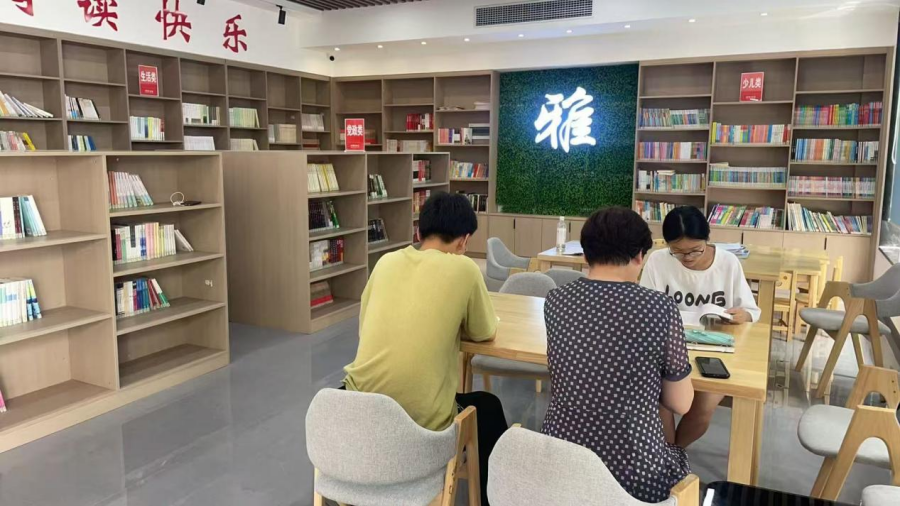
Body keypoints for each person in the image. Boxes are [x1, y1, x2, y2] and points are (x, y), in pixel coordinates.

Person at [342, 191, 506, 505]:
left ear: (419, 233)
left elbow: (365, 329)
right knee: (488, 407)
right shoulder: (465, 269)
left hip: (360, 415)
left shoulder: (385, 262)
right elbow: (484, 331)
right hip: (423, 430)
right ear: (464, 241)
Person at [542, 206, 694, 503]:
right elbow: (681, 403)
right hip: (636, 473)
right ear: (639, 256)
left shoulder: (556, 300)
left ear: (585, 255)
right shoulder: (659, 307)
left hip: (560, 462)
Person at [640, 205, 760, 449]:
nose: (688, 258)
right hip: (669, 348)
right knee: (658, 397)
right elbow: (645, 309)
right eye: (678, 252)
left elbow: (751, 311)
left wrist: (743, 315)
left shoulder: (728, 263)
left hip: (716, 350)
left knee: (703, 405)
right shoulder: (658, 260)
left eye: (695, 250)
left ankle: (673, 455)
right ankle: (668, 459)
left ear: (708, 239)